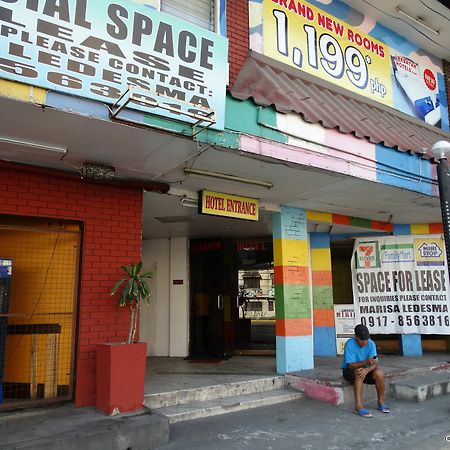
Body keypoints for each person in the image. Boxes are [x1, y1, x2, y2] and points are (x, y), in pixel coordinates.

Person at [341, 324, 390, 418]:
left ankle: (381, 402)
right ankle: (358, 406)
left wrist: (367, 370)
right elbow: (351, 366)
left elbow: (375, 363)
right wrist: (365, 363)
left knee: (379, 373)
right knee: (359, 373)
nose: (365, 342)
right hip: (349, 370)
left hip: (366, 369)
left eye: (367, 339)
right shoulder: (349, 344)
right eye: (362, 340)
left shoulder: (371, 344)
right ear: (356, 337)